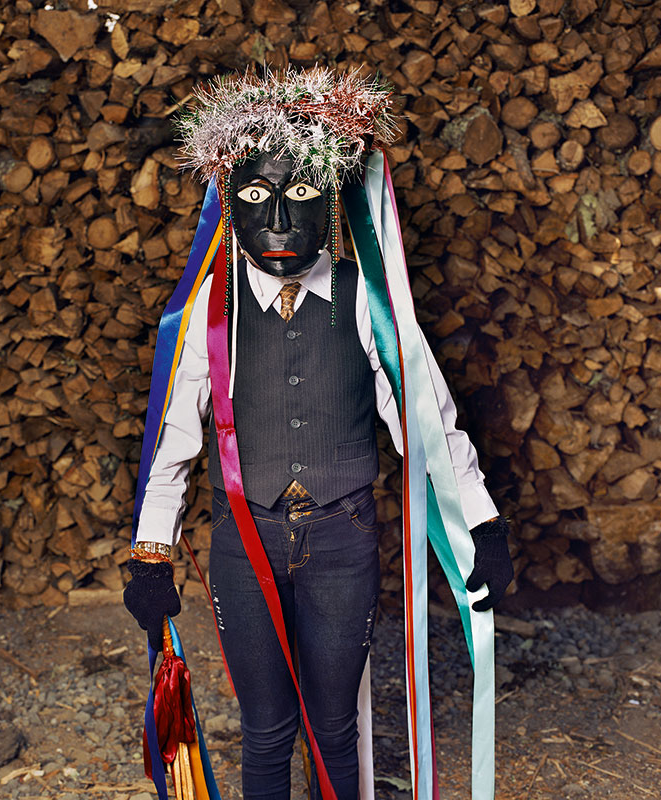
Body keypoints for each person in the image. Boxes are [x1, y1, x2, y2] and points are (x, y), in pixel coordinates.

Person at [123, 68, 513, 800]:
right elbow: (176, 439)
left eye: (299, 196)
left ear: (333, 199)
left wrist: (480, 523)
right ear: (227, 201)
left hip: (342, 540)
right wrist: (151, 553)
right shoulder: (211, 308)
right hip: (248, 543)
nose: (277, 222)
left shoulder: (371, 303)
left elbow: (427, 423)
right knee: (266, 728)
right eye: (256, 198)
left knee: (333, 725)